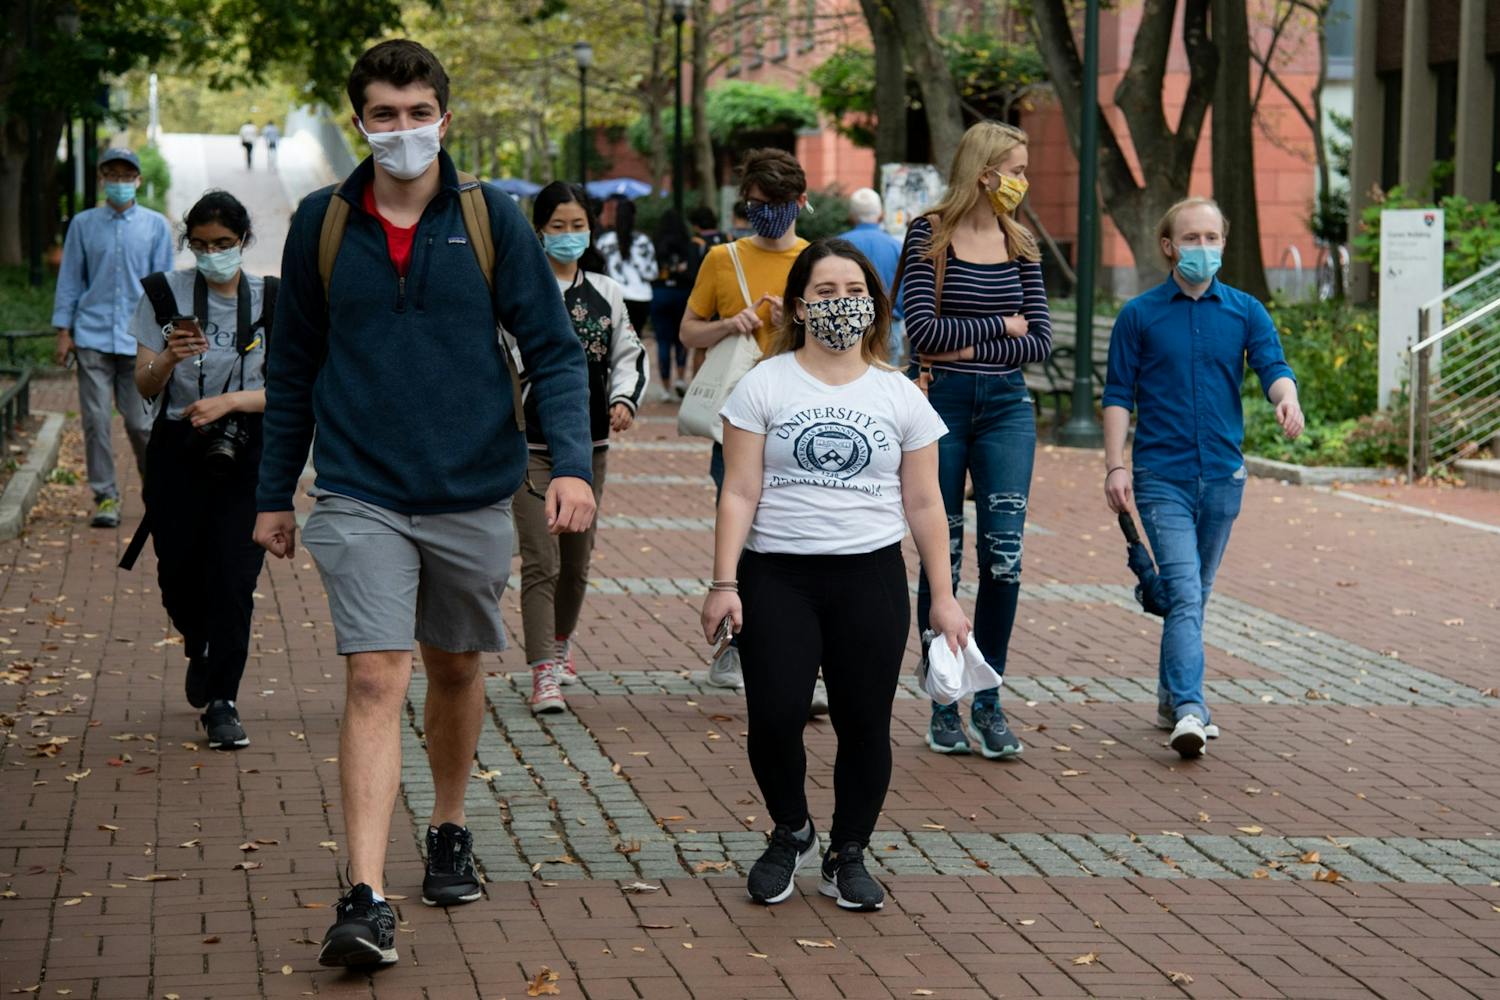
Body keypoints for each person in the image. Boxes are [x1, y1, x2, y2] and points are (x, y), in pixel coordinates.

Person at [253, 39, 597, 969]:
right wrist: (274, 493)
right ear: (358, 121)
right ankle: (364, 896)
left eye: (417, 113)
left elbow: (555, 350)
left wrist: (571, 465)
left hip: (473, 490)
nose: (401, 130)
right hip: (359, 488)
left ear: (445, 117)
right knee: (376, 675)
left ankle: (448, 826)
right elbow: (292, 366)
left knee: (454, 669)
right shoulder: (323, 222)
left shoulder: (493, 220)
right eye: (383, 114)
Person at [701, 238, 971, 912]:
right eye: (825, 292)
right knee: (775, 716)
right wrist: (724, 583)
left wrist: (943, 598)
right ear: (798, 306)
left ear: (874, 304)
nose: (841, 304)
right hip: (776, 576)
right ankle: (791, 830)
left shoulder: (899, 394)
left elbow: (925, 502)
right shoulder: (763, 384)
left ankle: (849, 851)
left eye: (854, 292)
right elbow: (739, 490)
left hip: (870, 579)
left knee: (864, 723)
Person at [1103, 197, 1302, 759]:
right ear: (1169, 247)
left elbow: (1273, 366)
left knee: (1195, 594)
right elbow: (1117, 394)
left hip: (1222, 476)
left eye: (1212, 238)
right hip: (1160, 476)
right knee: (1187, 592)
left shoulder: (1245, 311)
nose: (1203, 248)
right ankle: (1192, 709)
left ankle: (1170, 699)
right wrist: (1115, 464)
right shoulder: (1139, 315)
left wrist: (1287, 399)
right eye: (1191, 238)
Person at [899, 121, 1052, 760]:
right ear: (984, 172)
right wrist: (1000, 327)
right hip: (942, 404)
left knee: (1004, 556)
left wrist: (971, 340)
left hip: (1008, 408)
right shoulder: (929, 234)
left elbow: (1040, 340)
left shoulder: (1021, 241)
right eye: (1015, 169)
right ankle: (943, 700)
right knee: (945, 557)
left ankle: (987, 700)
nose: (1023, 180)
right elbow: (922, 333)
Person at [131, 190, 270, 750]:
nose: (213, 254)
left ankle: (222, 702)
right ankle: (200, 641)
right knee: (178, 575)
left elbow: (296, 389)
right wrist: (168, 356)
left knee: (234, 578)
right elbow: (143, 382)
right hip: (178, 450)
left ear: (243, 241)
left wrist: (231, 402)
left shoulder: (272, 299)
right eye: (201, 244)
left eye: (224, 243)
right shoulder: (163, 294)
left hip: (247, 451)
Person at [681, 148, 809, 694]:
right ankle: (733, 645)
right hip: (737, 420)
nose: (766, 213)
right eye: (756, 203)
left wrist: (793, 326)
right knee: (741, 532)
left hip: (799, 418)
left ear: (800, 202)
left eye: (777, 203)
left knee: (794, 534)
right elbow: (689, 331)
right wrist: (730, 324)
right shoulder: (722, 259)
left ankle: (794, 651)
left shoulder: (816, 261)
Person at [518, 182, 647, 714]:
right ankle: (543, 670)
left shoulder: (606, 292)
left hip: (590, 445)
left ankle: (560, 642)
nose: (569, 236)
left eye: (578, 226)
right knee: (540, 560)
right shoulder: (520, 290)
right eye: (558, 226)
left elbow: (628, 354)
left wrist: (623, 400)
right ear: (539, 231)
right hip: (528, 444)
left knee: (576, 561)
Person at [51, 147, 173, 528]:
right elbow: (70, 279)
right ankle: (105, 496)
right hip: (92, 335)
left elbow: (164, 286)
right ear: (102, 179)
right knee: (96, 420)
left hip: (138, 341)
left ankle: (156, 489)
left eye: (126, 176)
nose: (119, 182)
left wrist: (165, 338)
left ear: (137, 180)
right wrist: (63, 331)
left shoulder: (156, 226)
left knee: (140, 424)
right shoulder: (83, 225)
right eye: (112, 175)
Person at [836, 188, 904, 366]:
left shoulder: (836, 247)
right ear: (881, 215)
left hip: (847, 325)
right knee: (888, 379)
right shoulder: (897, 247)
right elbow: (906, 293)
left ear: (852, 216)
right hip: (889, 327)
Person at [650, 209, 697, 402]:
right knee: (681, 338)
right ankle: (680, 378)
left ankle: (665, 387)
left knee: (662, 341)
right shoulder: (688, 244)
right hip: (682, 293)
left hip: (659, 292)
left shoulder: (655, 244)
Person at [595, 198, 656, 341]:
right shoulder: (643, 241)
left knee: (614, 341)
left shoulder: (605, 241)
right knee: (634, 340)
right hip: (641, 297)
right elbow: (651, 273)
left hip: (613, 296)